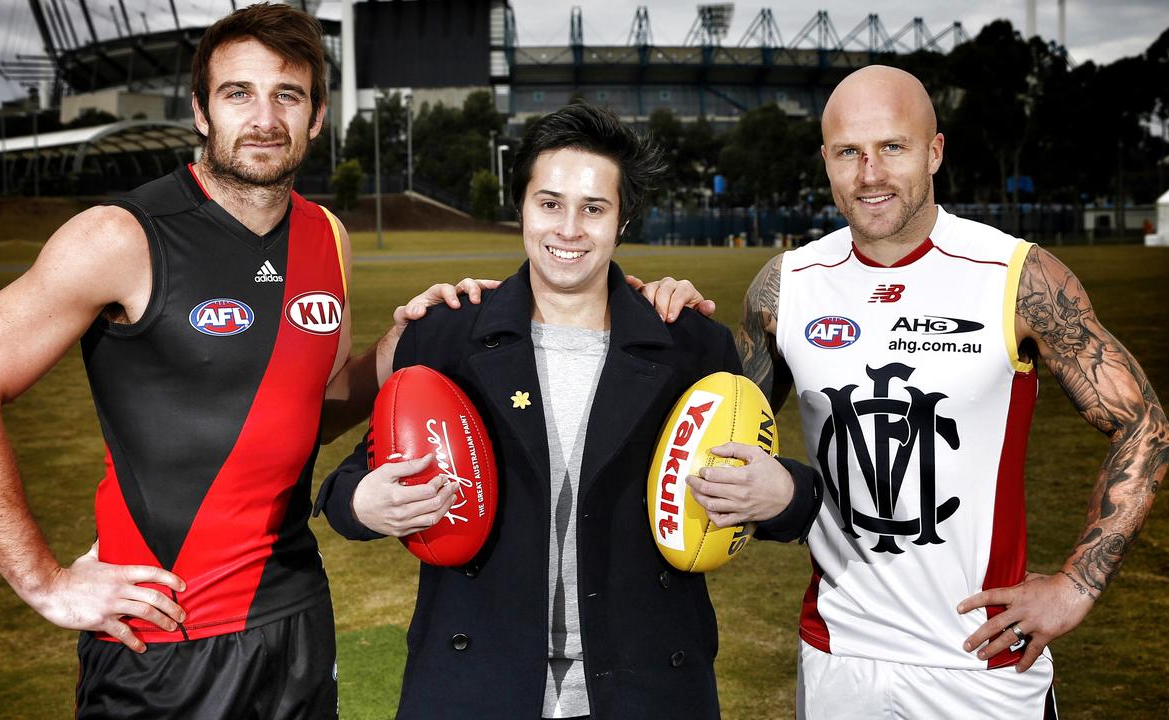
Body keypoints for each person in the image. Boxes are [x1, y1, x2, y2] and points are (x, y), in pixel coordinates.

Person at [0, 4, 521, 717]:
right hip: (163, 642)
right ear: (201, 111)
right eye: (238, 93)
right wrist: (45, 583)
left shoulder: (327, 235)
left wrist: (395, 348)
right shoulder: (120, 238)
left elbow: (310, 407)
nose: (263, 118)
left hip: (297, 622)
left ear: (317, 116)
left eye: (286, 95)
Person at [318, 103, 822, 719]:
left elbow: (750, 488)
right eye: (549, 203)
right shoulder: (449, 335)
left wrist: (789, 494)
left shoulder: (690, 342)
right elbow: (350, 484)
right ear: (522, 207)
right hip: (478, 687)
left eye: (594, 208)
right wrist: (362, 504)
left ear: (623, 219)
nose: (569, 229)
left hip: (646, 689)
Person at [706, 65, 1169, 717]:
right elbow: (715, 428)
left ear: (934, 151)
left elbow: (1143, 427)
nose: (870, 174)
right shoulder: (787, 285)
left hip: (980, 664)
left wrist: (1076, 586)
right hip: (840, 655)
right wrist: (652, 313)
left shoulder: (1018, 277)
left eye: (892, 147)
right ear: (826, 160)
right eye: (849, 152)